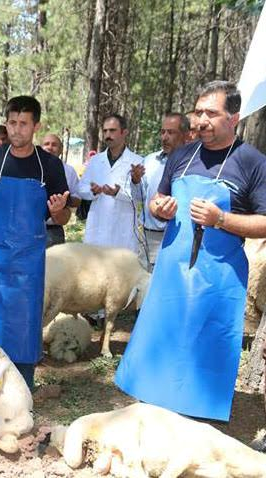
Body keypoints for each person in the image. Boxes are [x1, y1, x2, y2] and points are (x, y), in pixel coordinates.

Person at [115, 80, 266, 422]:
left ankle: (196, 422)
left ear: (234, 118)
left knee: (204, 350)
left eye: (211, 113)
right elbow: (157, 200)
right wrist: (160, 207)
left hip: (218, 277)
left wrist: (221, 219)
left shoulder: (252, 162)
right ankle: (152, 415)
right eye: (198, 112)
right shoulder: (182, 155)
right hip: (172, 270)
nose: (201, 120)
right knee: (161, 344)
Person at [0, 96, 70, 389]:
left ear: (36, 126)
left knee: (23, 323)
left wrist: (59, 211)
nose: (16, 129)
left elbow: (62, 218)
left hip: (27, 262)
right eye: (12, 123)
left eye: (23, 124)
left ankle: (22, 386)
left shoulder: (49, 166)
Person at [129, 113, 191, 270]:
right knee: (145, 281)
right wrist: (135, 181)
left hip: (180, 237)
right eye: (162, 132)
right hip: (150, 237)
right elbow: (139, 198)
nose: (164, 137)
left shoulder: (194, 163)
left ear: (185, 135)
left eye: (171, 132)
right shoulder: (149, 161)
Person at [78, 114, 144, 252]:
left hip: (123, 234)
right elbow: (81, 188)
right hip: (96, 231)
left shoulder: (137, 161)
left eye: (112, 130)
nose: (108, 135)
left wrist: (119, 192)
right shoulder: (96, 161)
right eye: (105, 131)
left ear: (124, 132)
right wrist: (93, 191)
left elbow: (141, 196)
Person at [41, 133, 82, 246]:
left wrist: (63, 201)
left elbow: (78, 199)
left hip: (53, 229)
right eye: (46, 144)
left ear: (61, 149)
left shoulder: (69, 171)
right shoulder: (31, 167)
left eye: (54, 145)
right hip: (27, 229)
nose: (50, 147)